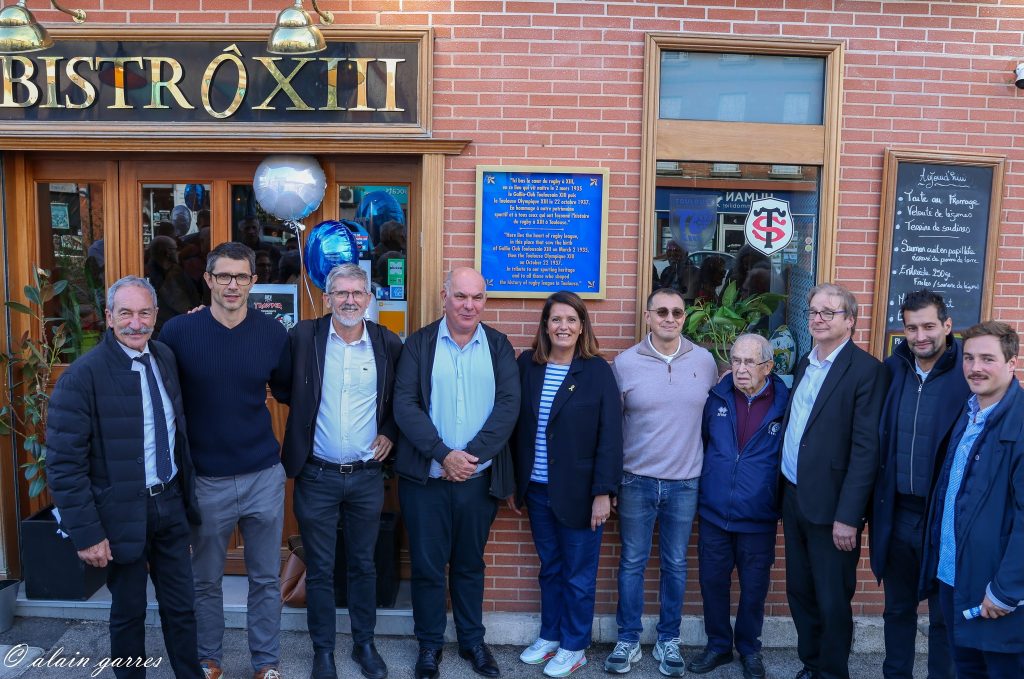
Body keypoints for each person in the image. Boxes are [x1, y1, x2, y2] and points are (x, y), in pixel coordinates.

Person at [45, 275, 203, 679]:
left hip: (168, 504)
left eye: (145, 313)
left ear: (155, 316)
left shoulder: (164, 357)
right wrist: (87, 532)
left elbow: (176, 434)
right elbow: (64, 465)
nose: (137, 323)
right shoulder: (82, 377)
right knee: (129, 613)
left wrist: (185, 506)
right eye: (126, 313)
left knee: (182, 607)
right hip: (120, 513)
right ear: (109, 318)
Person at [159, 242, 291, 679]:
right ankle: (208, 659)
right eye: (224, 276)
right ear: (209, 280)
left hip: (263, 474)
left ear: (254, 281)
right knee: (205, 580)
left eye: (242, 276)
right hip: (206, 478)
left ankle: (266, 664)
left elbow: (290, 391)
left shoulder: (273, 334)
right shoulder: (178, 333)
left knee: (266, 579)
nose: (232, 285)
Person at [393, 267, 520, 679]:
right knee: (428, 566)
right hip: (426, 479)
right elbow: (405, 406)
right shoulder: (419, 344)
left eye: (477, 297)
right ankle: (429, 645)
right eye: (461, 296)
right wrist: (443, 454)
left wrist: (470, 458)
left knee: (469, 564)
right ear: (444, 296)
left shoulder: (499, 346)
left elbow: (507, 408)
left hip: (477, 480)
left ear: (485, 300)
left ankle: (471, 642)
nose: (469, 305)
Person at [279, 263, 402, 679]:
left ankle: (364, 645)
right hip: (316, 475)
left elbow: (400, 398)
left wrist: (389, 431)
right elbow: (282, 386)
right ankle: (323, 651)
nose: (350, 300)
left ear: (369, 299)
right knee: (320, 566)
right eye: (341, 293)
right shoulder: (304, 337)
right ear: (328, 298)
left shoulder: (387, 343)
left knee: (364, 565)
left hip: (367, 476)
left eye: (357, 293)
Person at [604, 287, 718, 676]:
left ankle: (669, 640)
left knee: (675, 564)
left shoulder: (704, 361)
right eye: (663, 311)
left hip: (686, 482)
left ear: (685, 317)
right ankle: (629, 640)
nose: (670, 318)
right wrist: (612, 481)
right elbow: (612, 427)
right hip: (636, 480)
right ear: (648, 316)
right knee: (632, 562)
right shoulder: (624, 363)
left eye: (678, 312)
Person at [780, 282, 888, 679]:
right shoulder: (806, 363)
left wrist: (849, 516)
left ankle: (831, 672)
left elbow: (866, 451)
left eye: (829, 312)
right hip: (793, 497)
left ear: (851, 321)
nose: (818, 318)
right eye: (813, 310)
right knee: (800, 592)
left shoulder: (866, 371)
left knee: (831, 598)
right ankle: (812, 664)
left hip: (832, 509)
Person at [513, 291, 623, 677]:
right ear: (545, 325)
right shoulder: (528, 364)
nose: (563, 327)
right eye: (556, 320)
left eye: (571, 320)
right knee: (551, 567)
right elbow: (517, 428)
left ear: (582, 327)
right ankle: (551, 635)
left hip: (580, 492)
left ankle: (574, 645)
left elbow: (611, 436)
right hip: (538, 489)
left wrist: (603, 493)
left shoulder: (596, 371)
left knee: (578, 573)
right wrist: (515, 483)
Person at [870, 290, 965, 679]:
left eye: (928, 326)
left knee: (943, 616)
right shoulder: (893, 369)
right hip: (897, 513)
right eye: (912, 327)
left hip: (943, 519)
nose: (920, 335)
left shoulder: (966, 374)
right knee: (897, 609)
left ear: (947, 325)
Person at [921, 321, 1024, 677]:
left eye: (987, 359)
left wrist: (1006, 591)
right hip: (954, 579)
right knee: (966, 670)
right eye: (969, 358)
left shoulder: (1020, 425)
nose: (975, 367)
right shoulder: (968, 414)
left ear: (1012, 362)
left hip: (995, 592)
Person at [692, 334, 789, 679]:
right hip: (715, 514)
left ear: (768, 366)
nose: (741, 368)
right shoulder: (717, 398)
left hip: (758, 518)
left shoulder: (784, 404)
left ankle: (749, 649)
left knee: (753, 589)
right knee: (712, 583)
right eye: (735, 360)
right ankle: (718, 646)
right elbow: (703, 444)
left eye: (750, 362)